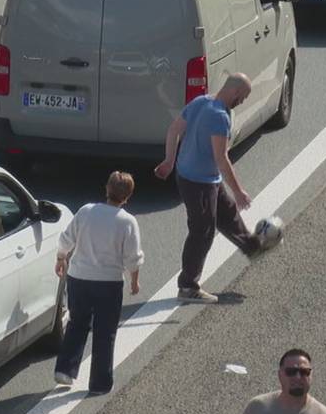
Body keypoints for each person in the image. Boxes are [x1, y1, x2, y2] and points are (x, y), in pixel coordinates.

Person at [154, 73, 278, 304]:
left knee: (228, 213)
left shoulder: (201, 102)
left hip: (197, 177)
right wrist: (239, 190)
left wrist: (170, 160)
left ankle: (253, 248)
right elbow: (221, 158)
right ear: (235, 93)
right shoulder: (220, 117)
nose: (242, 102)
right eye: (243, 97)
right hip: (197, 183)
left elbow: (173, 130)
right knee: (202, 231)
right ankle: (188, 286)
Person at [53, 171, 143, 394]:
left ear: (106, 189)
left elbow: (67, 238)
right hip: (109, 283)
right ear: (127, 197)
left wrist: (61, 257)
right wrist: (134, 280)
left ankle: (65, 369)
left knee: (77, 322)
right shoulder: (127, 221)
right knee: (105, 331)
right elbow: (133, 256)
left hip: (79, 277)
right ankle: (100, 383)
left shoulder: (86, 211)